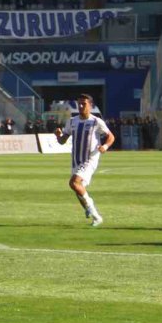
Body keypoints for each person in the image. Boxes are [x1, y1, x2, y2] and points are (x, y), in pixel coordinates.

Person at [54, 94, 115, 227]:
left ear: (90, 105)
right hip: (76, 160)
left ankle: (93, 210)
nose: (81, 106)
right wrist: (58, 135)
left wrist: (105, 146)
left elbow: (111, 136)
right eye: (79, 104)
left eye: (84, 104)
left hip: (90, 159)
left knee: (74, 183)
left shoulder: (96, 121)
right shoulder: (72, 121)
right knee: (78, 189)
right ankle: (94, 215)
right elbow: (62, 141)